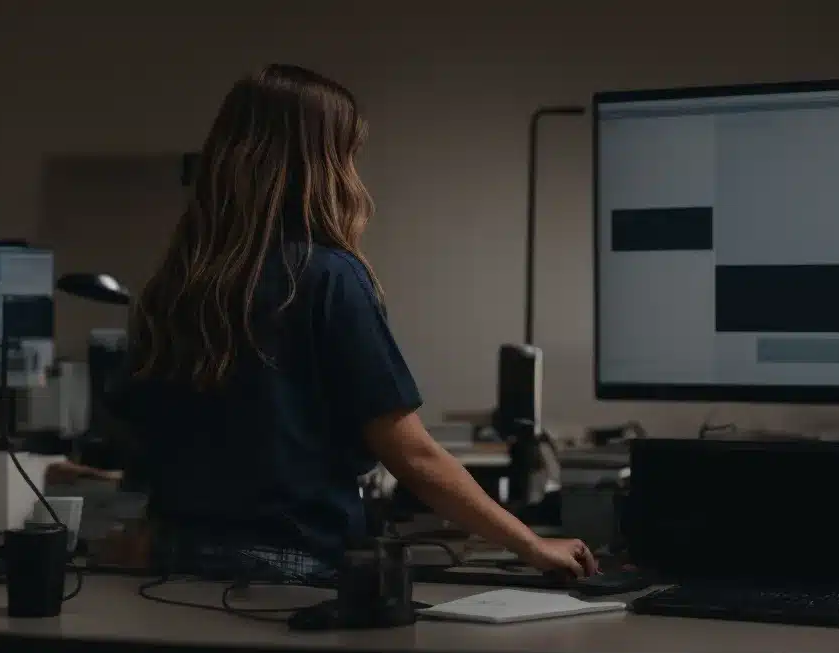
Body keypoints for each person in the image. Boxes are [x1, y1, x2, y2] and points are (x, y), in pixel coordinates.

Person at [114, 64, 599, 582]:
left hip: (175, 570)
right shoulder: (326, 277)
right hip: (291, 569)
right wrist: (530, 544)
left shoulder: (175, 286)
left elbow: (145, 439)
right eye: (347, 155)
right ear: (321, 165)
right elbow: (411, 454)